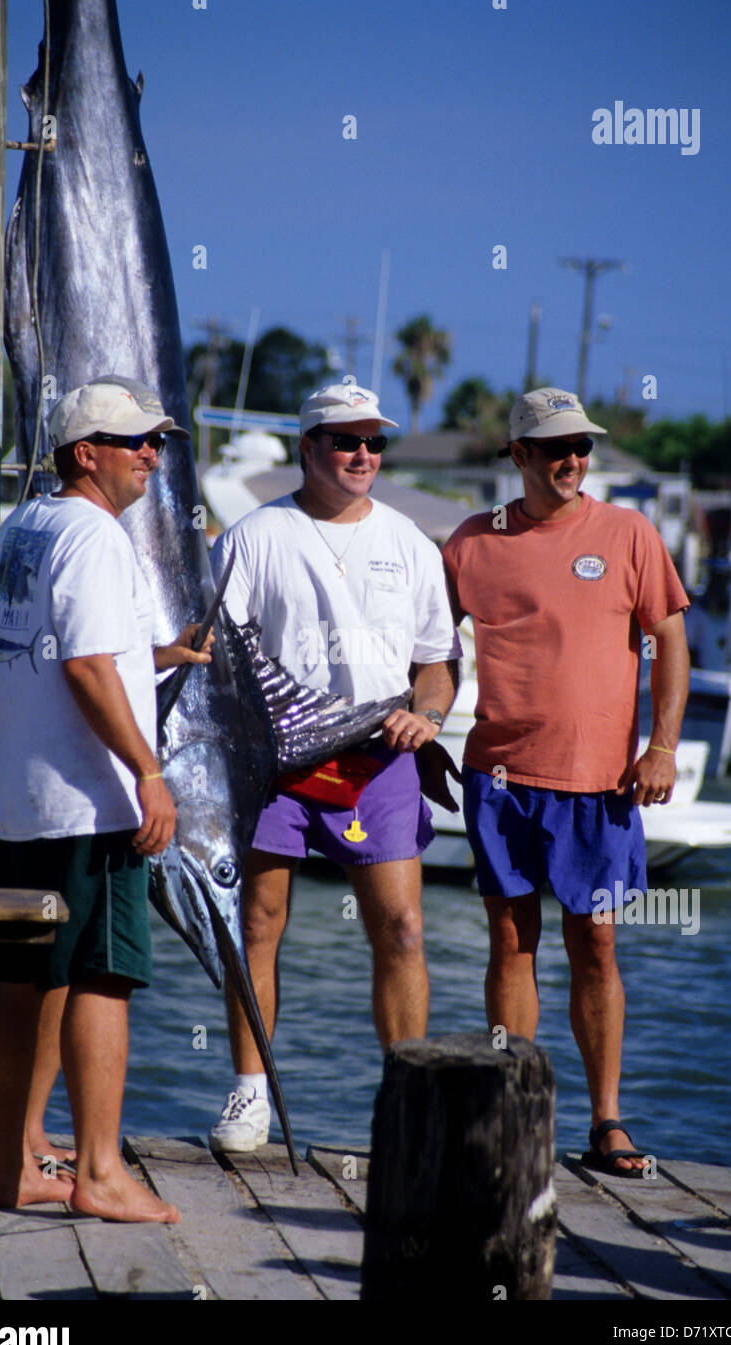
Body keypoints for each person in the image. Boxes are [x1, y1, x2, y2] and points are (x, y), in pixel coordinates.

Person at [442, 387, 690, 1177]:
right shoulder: (470, 543)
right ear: (518, 456)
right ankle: (515, 1115)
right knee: (511, 945)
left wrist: (663, 747)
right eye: (555, 450)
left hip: (602, 786)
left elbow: (670, 641)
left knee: (598, 946)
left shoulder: (628, 532)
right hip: (500, 779)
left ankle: (607, 1120)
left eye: (582, 447)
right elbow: (429, 646)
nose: (573, 462)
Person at [0, 378, 210, 1220]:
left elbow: (61, 654)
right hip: (92, 803)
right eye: (136, 441)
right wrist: (149, 772)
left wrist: (159, 658)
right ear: (88, 454)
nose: (153, 454)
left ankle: (10, 1164)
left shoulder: (25, 528)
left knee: (17, 975)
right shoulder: (98, 537)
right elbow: (84, 668)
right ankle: (101, 1174)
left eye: (157, 441)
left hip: (19, 798)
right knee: (104, 976)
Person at [208, 382, 460, 1152]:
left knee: (404, 930)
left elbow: (437, 662)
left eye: (374, 442)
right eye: (345, 440)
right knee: (259, 922)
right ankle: (250, 1093)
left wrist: (431, 714)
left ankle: (406, 1103)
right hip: (278, 762)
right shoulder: (253, 536)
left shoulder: (412, 544)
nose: (362, 455)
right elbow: (215, 652)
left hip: (379, 759)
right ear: (309, 447)